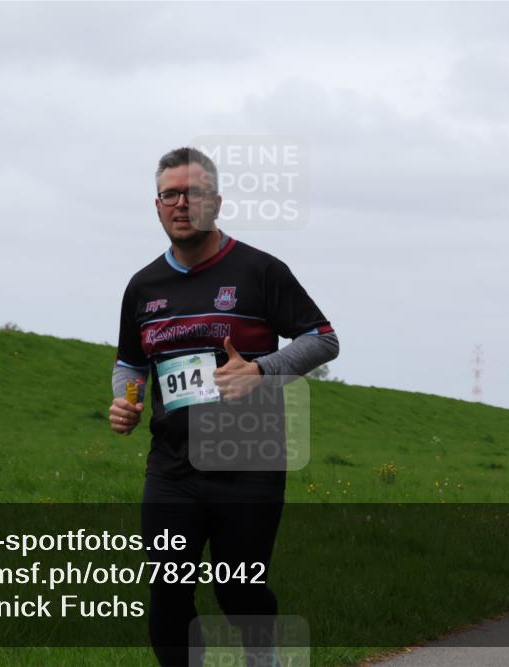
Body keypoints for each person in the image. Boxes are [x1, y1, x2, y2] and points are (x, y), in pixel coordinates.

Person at [108, 147, 339, 666]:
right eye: (171, 194)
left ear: (216, 201)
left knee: (239, 593)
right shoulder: (142, 287)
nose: (182, 204)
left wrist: (260, 371)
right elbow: (129, 363)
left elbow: (324, 340)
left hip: (249, 463)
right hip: (172, 466)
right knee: (169, 593)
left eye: (193, 193)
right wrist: (127, 401)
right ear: (157, 204)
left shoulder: (260, 271)